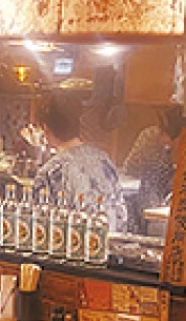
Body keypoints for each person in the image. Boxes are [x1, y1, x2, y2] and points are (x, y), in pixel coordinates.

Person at [33, 93, 128, 232]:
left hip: (74, 243)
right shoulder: (104, 159)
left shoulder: (50, 171)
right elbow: (121, 215)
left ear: (46, 129)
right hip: (110, 242)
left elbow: (41, 227)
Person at [123, 105, 183, 213]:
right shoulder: (151, 140)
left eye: (163, 133)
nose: (159, 136)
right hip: (149, 201)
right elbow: (130, 168)